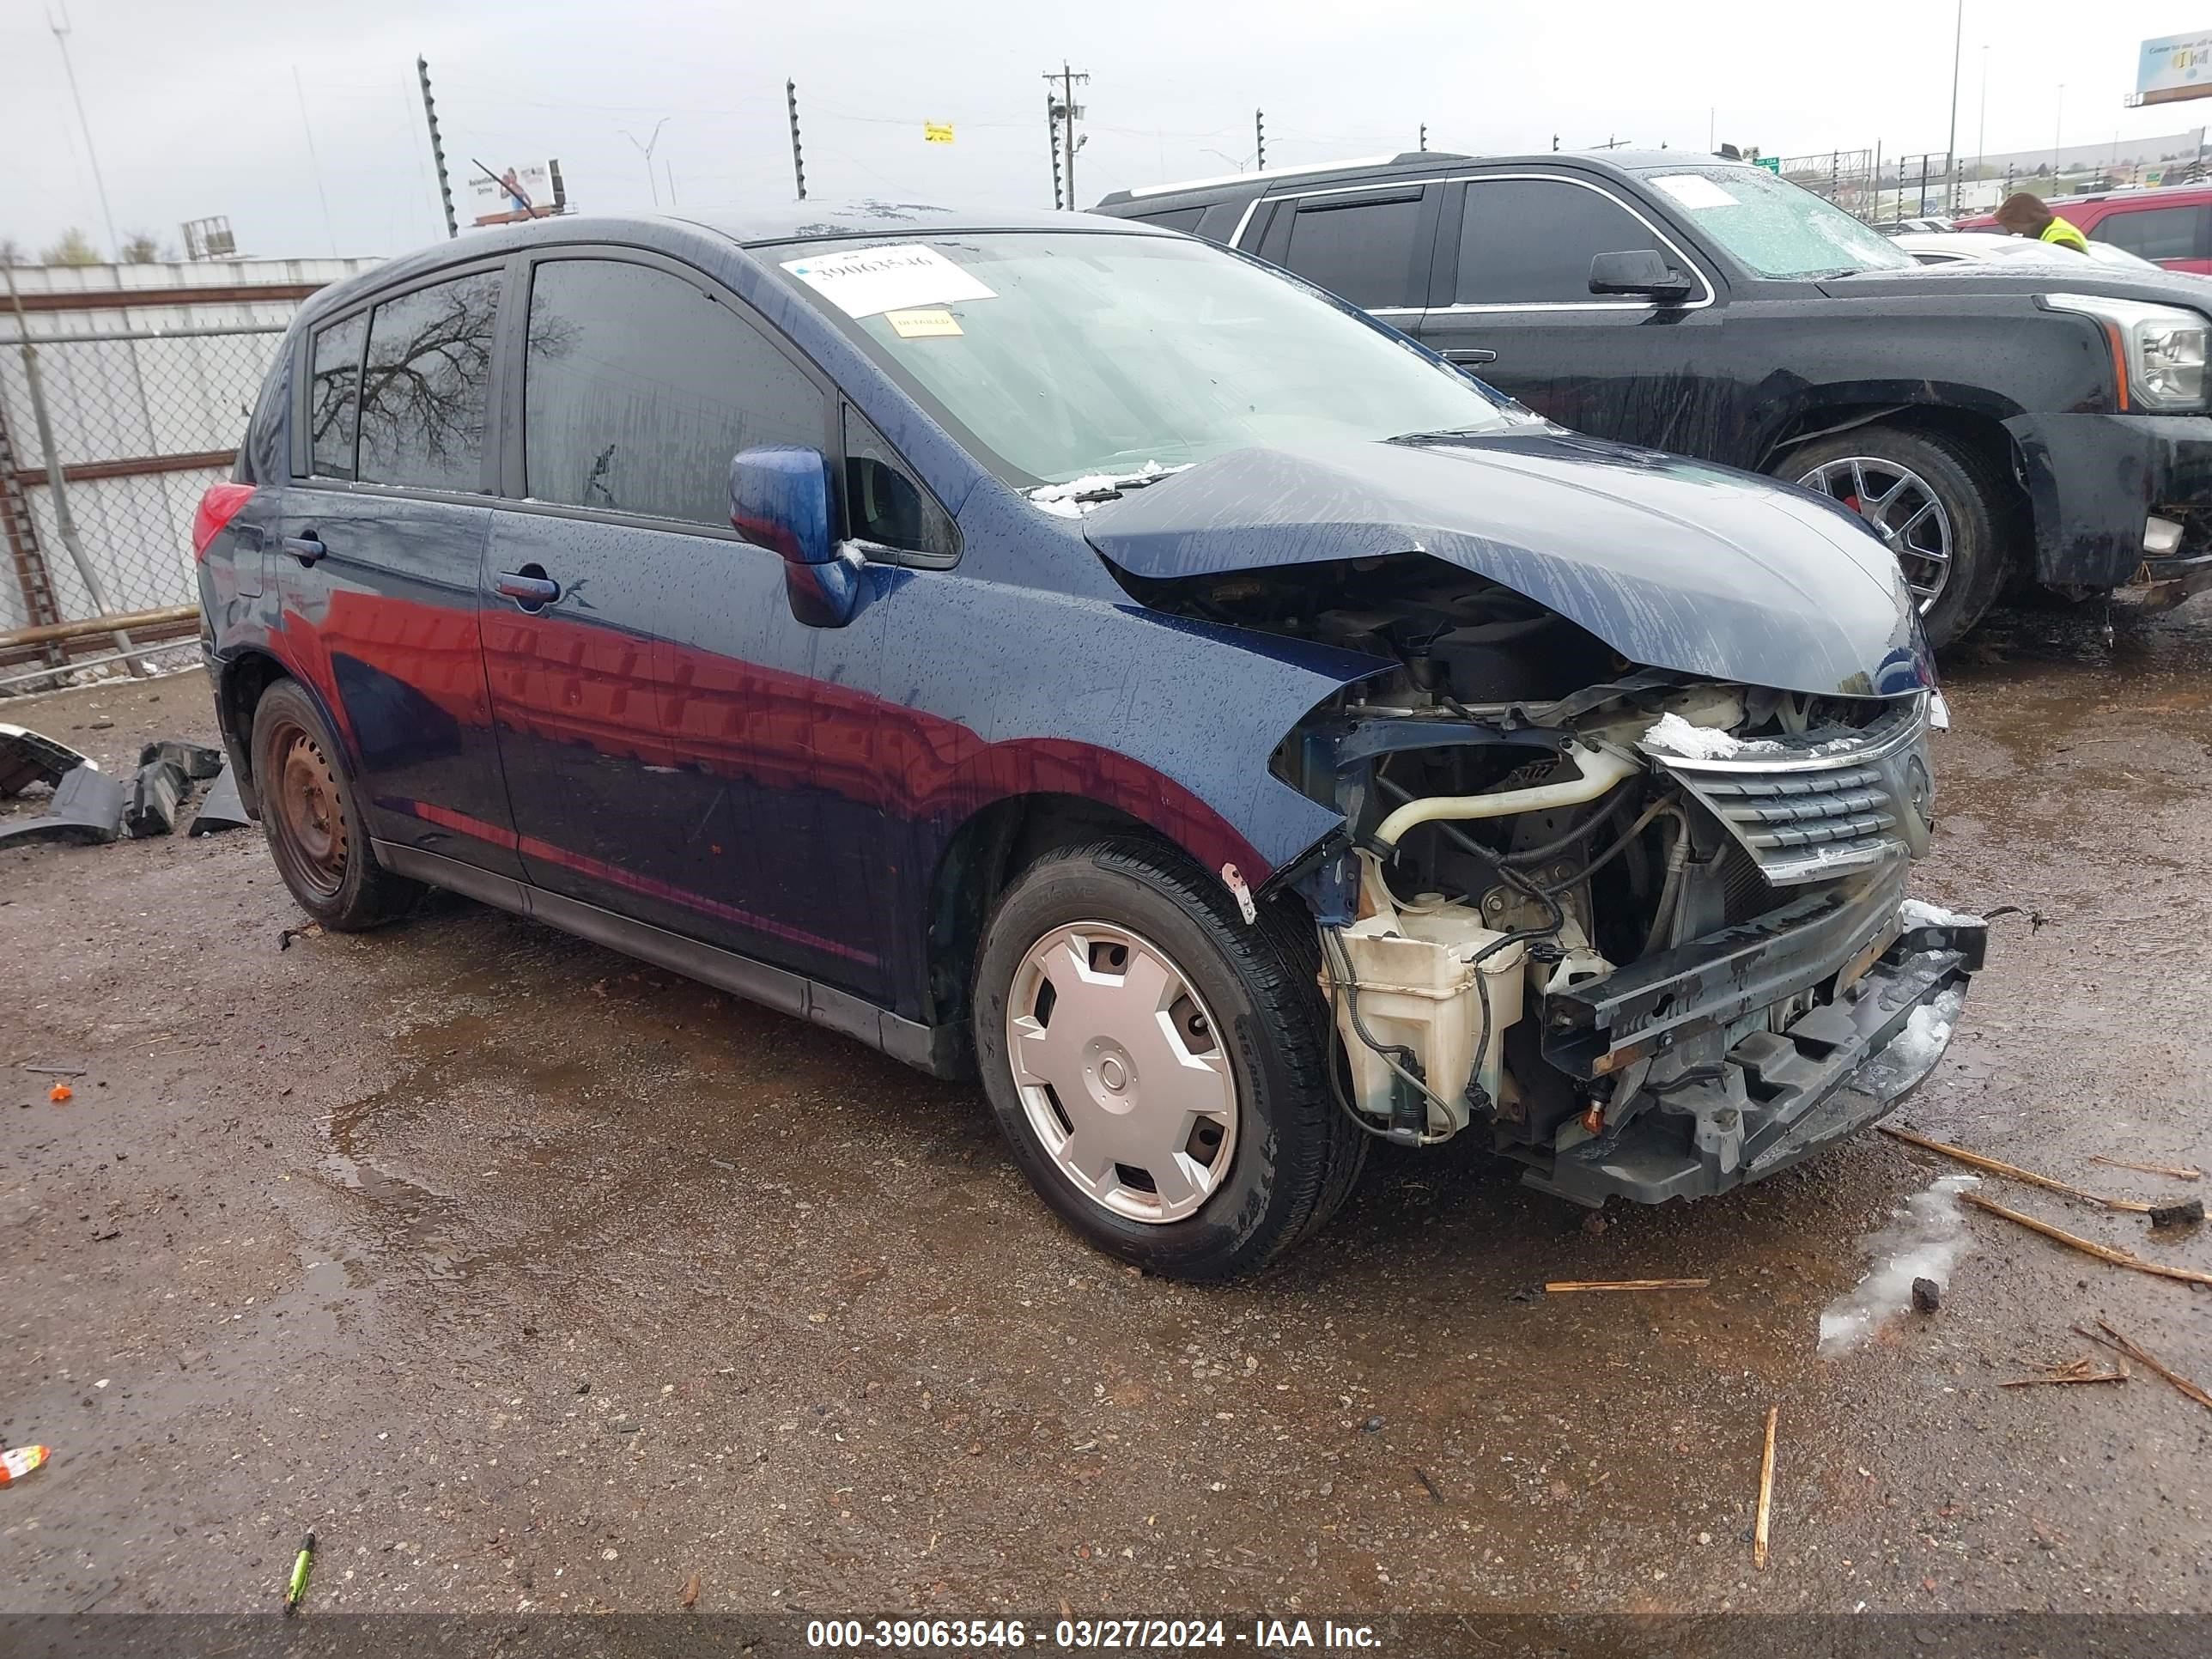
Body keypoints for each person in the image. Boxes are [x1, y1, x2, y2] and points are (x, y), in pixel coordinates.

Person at [1993, 191, 2090, 253]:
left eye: (2012, 226)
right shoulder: (2046, 229)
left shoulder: (2060, 238)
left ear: (2024, 221)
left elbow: (2069, 274)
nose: (2010, 232)